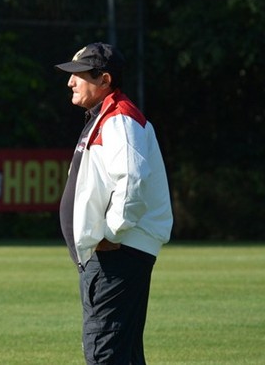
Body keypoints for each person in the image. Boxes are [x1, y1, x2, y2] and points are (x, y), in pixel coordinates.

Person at [55, 42, 173, 364]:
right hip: (119, 252)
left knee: (104, 351)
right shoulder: (107, 115)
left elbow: (132, 179)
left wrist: (112, 233)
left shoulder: (119, 118)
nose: (70, 82)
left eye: (78, 74)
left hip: (118, 252)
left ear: (104, 79)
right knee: (122, 353)